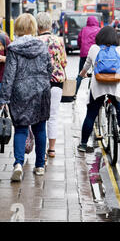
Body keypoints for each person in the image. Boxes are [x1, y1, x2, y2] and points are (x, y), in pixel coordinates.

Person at [0, 13, 53, 182]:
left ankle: (18, 164)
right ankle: (39, 166)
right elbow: (49, 69)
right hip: (41, 91)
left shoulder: (13, 48)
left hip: (20, 93)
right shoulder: (43, 46)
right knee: (40, 130)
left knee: (21, 129)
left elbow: (9, 75)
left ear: (19, 28)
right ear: (33, 27)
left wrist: (4, 98)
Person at [77, 26, 120, 153]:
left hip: (98, 85)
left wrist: (81, 75)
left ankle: (83, 144)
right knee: (117, 103)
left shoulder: (94, 49)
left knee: (91, 114)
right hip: (115, 84)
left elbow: (87, 65)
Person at [36, 12, 67, 159]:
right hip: (56, 82)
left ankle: (40, 149)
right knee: (53, 115)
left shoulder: (35, 41)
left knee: (39, 116)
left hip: (38, 83)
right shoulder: (58, 41)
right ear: (50, 25)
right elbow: (64, 62)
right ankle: (52, 149)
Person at [76, 16, 101, 95]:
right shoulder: (99, 30)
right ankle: (92, 91)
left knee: (81, 73)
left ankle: (74, 92)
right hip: (96, 54)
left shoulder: (84, 29)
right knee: (95, 73)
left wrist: (81, 48)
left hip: (84, 53)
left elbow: (79, 40)